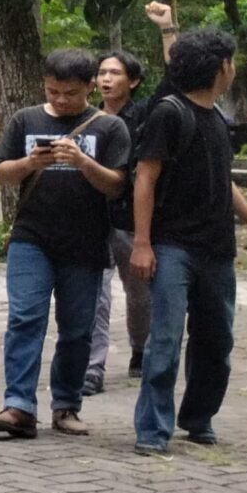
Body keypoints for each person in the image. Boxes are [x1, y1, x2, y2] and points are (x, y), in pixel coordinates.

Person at [129, 29, 247, 455]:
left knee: (217, 341)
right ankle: (152, 429)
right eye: (232, 61)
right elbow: (145, 178)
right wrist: (143, 243)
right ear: (222, 67)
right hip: (172, 247)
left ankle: (198, 417)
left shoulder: (217, 117)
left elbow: (224, 182)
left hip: (218, 250)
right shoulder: (169, 113)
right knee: (164, 338)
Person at [0, 51, 130, 440]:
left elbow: (116, 185)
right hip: (32, 237)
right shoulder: (25, 119)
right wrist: (30, 163)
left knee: (78, 329)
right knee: (25, 318)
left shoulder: (109, 127)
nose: (62, 100)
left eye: (72, 93)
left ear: (90, 87)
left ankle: (66, 406)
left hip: (86, 242)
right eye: (54, 91)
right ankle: (18, 406)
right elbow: (1, 173)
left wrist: (83, 162)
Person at [86, 49, 151, 395]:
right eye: (102, 73)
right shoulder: (86, 118)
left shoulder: (144, 116)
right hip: (94, 218)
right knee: (96, 295)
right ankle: (92, 369)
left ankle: (141, 349)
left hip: (130, 219)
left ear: (134, 81)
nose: (106, 79)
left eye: (115, 73)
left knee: (139, 293)